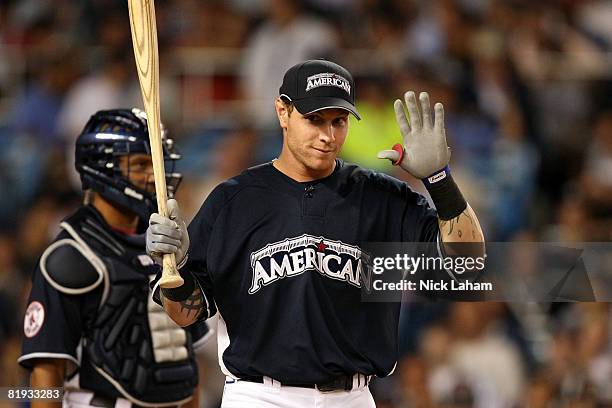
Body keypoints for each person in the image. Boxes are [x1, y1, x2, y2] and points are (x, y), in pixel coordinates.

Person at [147, 59, 485, 407]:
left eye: (338, 121)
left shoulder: (381, 197)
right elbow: (184, 313)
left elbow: (470, 261)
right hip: (259, 395)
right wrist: (177, 265)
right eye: (314, 119)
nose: (328, 136)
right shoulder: (233, 201)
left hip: (351, 397)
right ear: (283, 111)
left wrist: (439, 181)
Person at [19, 109, 211, 408]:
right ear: (102, 168)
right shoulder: (71, 256)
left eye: (157, 164)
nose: (153, 177)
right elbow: (47, 371)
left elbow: (184, 360)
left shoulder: (170, 246)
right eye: (140, 164)